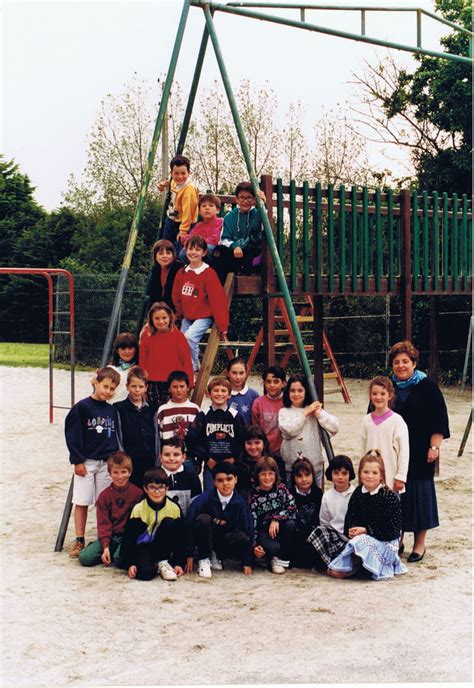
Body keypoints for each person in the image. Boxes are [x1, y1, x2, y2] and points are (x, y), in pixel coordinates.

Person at [388, 340, 450, 563]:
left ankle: (419, 544)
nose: (401, 365)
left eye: (405, 361)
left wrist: (435, 447)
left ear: (414, 363)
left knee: (420, 497)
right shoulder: (387, 387)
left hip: (420, 452)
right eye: (397, 362)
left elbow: (439, 420)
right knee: (396, 498)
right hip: (393, 453)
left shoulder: (427, 387)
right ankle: (397, 539)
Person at [65, 366, 121, 557]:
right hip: (87, 462)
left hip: (106, 463)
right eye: (105, 386)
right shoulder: (82, 407)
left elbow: (114, 437)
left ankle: (103, 537)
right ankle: (79, 538)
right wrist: (77, 460)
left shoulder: (112, 410)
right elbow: (72, 434)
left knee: (103, 502)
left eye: (112, 389)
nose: (108, 392)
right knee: (81, 501)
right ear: (95, 383)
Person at [327, 451, 407, 580]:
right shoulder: (358, 492)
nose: (370, 476)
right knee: (333, 570)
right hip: (362, 538)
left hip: (385, 542)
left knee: (359, 543)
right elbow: (350, 517)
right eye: (366, 472)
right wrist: (352, 529)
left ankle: (362, 567)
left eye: (374, 473)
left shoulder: (389, 496)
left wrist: (366, 531)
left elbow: (393, 530)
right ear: (360, 474)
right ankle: (359, 564)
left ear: (381, 476)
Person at [172, 235, 229, 373]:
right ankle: (187, 367)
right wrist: (178, 316)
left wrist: (223, 326)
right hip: (187, 316)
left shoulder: (208, 274)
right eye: (190, 249)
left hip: (204, 316)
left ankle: (194, 365)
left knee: (189, 338)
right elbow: (176, 296)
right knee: (179, 342)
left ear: (204, 253)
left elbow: (218, 300)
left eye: (198, 250)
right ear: (185, 250)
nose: (193, 252)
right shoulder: (182, 272)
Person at [186, 462, 254, 578]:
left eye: (229, 479)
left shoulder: (240, 502)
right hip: (206, 538)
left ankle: (219, 556)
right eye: (220, 480)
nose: (225, 484)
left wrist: (247, 561)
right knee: (203, 519)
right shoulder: (204, 499)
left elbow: (248, 529)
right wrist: (189, 554)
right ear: (214, 482)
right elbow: (189, 523)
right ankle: (204, 559)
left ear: (235, 480)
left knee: (241, 536)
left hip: (225, 539)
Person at [78, 451, 143, 568]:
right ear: (109, 473)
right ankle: (102, 549)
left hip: (126, 537)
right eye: (115, 473)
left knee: (120, 560)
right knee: (85, 558)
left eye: (124, 472)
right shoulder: (104, 496)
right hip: (110, 536)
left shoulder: (137, 494)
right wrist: (105, 546)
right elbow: (103, 523)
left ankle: (115, 553)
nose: (120, 476)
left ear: (130, 472)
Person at [121, 466, 186, 581]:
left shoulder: (174, 508)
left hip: (164, 546)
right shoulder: (138, 508)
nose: (157, 492)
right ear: (145, 489)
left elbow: (181, 537)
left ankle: (163, 563)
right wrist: (130, 563)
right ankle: (152, 565)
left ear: (167, 488)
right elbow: (128, 538)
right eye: (152, 488)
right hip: (144, 547)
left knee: (169, 522)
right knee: (145, 575)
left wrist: (179, 562)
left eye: (161, 487)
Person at [186, 376, 246, 491]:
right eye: (216, 390)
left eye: (223, 391)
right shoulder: (203, 415)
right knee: (210, 496)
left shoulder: (235, 415)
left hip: (231, 466)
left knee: (230, 496)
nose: (219, 394)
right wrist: (207, 458)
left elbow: (243, 439)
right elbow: (191, 439)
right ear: (209, 394)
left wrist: (234, 457)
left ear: (229, 395)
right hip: (211, 466)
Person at [278, 374, 339, 485]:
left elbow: (334, 427)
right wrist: (305, 413)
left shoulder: (314, 411)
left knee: (314, 498)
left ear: (306, 392)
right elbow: (290, 430)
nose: (296, 394)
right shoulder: (284, 412)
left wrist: (319, 414)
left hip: (314, 466)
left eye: (300, 390)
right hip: (291, 468)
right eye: (292, 390)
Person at [138, 301, 194, 412]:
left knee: (172, 412)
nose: (161, 321)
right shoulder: (146, 336)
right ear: (151, 320)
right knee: (153, 413)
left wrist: (190, 383)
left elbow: (186, 360)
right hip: (152, 383)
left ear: (170, 317)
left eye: (164, 317)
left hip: (173, 382)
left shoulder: (179, 336)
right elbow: (142, 362)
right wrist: (142, 384)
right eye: (157, 318)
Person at [359, 375, 409, 493]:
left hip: (390, 479)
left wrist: (400, 477)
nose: (378, 397)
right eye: (374, 393)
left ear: (390, 395)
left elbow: (404, 451)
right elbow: (362, 449)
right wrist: (362, 472)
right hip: (370, 479)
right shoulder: (366, 420)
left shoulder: (397, 421)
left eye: (382, 393)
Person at [248, 456, 297, 574]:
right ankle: (270, 557)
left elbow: (292, 507)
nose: (267, 478)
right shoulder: (253, 497)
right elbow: (252, 523)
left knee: (291, 525)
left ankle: (280, 557)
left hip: (279, 526)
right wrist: (255, 545)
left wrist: (276, 519)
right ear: (257, 476)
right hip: (263, 531)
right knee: (272, 547)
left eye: (270, 474)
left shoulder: (281, 489)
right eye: (263, 474)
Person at [306, 455, 356, 569]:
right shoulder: (327, 496)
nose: (340, 477)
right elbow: (325, 522)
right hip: (335, 537)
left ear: (350, 474)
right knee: (319, 531)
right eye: (336, 473)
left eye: (344, 473)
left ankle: (347, 561)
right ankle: (334, 562)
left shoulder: (356, 494)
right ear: (330, 474)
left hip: (353, 537)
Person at [114, 366, 160, 488]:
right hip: (129, 461)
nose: (137, 390)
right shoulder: (119, 408)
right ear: (127, 387)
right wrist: (123, 461)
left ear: (146, 388)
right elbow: (118, 436)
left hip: (148, 461)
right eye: (134, 386)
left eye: (140, 387)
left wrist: (157, 462)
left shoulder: (151, 409)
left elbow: (156, 437)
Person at [213, 181, 263, 284]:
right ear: (236, 199)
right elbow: (224, 238)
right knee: (220, 250)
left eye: (249, 197)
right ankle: (220, 285)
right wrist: (235, 246)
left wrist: (263, 204)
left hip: (251, 252)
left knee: (254, 246)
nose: (245, 201)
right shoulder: (229, 217)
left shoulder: (258, 214)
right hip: (236, 253)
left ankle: (247, 270)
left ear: (254, 199)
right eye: (242, 197)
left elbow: (263, 228)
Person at [156, 370, 200, 471]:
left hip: (189, 458)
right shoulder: (163, 410)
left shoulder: (195, 409)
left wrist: (198, 458)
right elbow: (159, 435)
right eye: (175, 387)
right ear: (169, 389)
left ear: (188, 388)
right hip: (169, 459)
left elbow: (199, 435)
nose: (178, 390)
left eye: (182, 386)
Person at [289, 456, 323, 568]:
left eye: (307, 475)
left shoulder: (318, 493)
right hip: (297, 532)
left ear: (313, 475)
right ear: (293, 478)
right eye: (299, 476)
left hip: (313, 532)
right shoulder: (290, 493)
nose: (304, 479)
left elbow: (319, 515)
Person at [235, 425, 286, 498]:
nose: (253, 447)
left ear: (264, 443)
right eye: (249, 443)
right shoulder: (239, 466)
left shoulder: (277, 462)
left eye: (257, 443)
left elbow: (283, 487)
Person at [158, 155, 198, 246]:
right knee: (166, 245)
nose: (180, 177)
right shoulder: (174, 181)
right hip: (171, 219)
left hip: (184, 223)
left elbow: (188, 212)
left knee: (178, 248)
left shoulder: (189, 190)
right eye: (176, 173)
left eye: (183, 173)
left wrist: (183, 231)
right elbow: (170, 181)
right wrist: (163, 184)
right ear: (171, 173)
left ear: (189, 173)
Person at [159, 437, 201, 516]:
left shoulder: (191, 475)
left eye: (176, 455)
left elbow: (196, 504)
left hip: (187, 522)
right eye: (167, 455)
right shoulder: (155, 476)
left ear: (183, 457)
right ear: (160, 457)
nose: (171, 458)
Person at [251, 365, 286, 458]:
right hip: (264, 452)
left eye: (276, 381)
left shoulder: (288, 402)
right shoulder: (258, 403)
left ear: (283, 383)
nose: (272, 385)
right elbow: (256, 429)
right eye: (268, 382)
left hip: (284, 452)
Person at [178, 193, 223, 264]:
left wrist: (198, 244)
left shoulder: (221, 222)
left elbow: (216, 239)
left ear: (217, 210)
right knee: (183, 252)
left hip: (214, 250)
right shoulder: (199, 226)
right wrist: (188, 244)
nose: (207, 208)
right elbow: (190, 237)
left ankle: (206, 271)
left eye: (211, 205)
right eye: (203, 206)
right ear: (199, 211)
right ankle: (193, 270)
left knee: (207, 248)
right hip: (198, 249)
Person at [146, 239, 184, 313]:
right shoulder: (155, 270)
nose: (165, 256)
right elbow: (153, 296)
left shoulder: (179, 269)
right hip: (159, 312)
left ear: (173, 255)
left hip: (176, 312)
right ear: (155, 257)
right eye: (160, 253)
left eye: (168, 253)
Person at [226, 356, 259, 425]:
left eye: (241, 373)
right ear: (228, 373)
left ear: (246, 373)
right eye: (234, 373)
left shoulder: (253, 395)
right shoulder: (223, 394)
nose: (238, 377)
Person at [108, 332, 139, 402]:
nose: (127, 351)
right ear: (117, 350)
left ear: (136, 349)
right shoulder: (111, 369)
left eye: (130, 348)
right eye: (123, 348)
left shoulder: (140, 368)